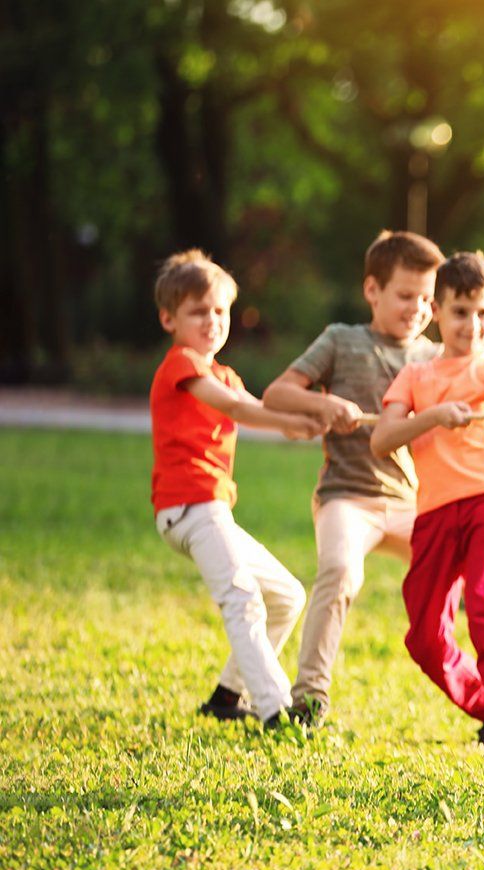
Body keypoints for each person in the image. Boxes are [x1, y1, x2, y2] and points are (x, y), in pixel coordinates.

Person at [263, 231, 484, 740]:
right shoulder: (345, 340)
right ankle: (310, 695)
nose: (419, 309)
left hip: (417, 502)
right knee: (342, 572)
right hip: (351, 495)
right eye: (407, 297)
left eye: (429, 299)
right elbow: (279, 394)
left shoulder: (438, 355)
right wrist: (323, 406)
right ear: (372, 291)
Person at [370, 250, 484, 755]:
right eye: (461, 312)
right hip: (436, 513)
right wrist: (434, 416)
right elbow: (383, 439)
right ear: (436, 311)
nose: (473, 324)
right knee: (423, 636)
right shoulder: (416, 377)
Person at [148, 249, 324, 727]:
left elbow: (261, 410)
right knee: (243, 598)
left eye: (220, 311)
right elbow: (240, 409)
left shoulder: (224, 373)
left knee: (286, 595)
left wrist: (310, 419)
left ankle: (227, 697)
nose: (211, 321)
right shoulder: (181, 365)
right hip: (189, 508)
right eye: (197, 311)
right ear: (169, 318)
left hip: (212, 511)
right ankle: (277, 712)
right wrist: (296, 417)